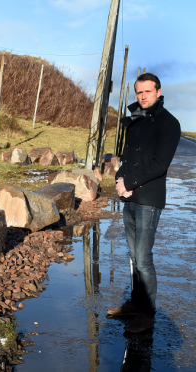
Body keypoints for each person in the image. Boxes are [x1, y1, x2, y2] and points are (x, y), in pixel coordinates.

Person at [107, 73, 180, 333]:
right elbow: (126, 157)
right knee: (133, 257)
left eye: (148, 91)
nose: (143, 96)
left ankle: (147, 314)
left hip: (149, 199)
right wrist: (119, 179)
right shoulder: (136, 121)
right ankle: (136, 304)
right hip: (130, 197)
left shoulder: (169, 123)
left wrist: (130, 182)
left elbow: (159, 165)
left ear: (158, 92)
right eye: (139, 92)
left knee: (144, 258)